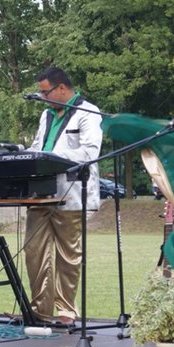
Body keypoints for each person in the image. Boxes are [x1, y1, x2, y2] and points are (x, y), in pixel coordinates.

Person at [24, 67, 102, 325]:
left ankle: (66, 310)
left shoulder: (88, 113)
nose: (42, 97)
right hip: (40, 192)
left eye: (45, 92)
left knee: (68, 254)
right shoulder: (46, 115)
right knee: (33, 251)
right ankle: (40, 311)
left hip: (71, 193)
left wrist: (50, 157)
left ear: (61, 88)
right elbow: (39, 146)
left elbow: (89, 152)